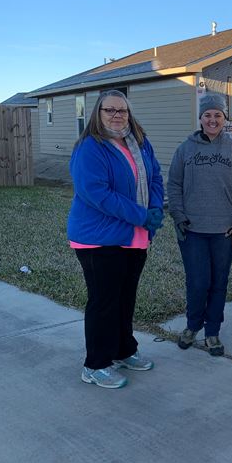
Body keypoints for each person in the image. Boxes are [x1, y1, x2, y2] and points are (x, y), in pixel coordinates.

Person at [68, 90, 164, 388]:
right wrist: (140, 214)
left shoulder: (139, 142)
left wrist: (156, 209)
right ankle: (95, 364)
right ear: (98, 113)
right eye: (109, 110)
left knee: (125, 297)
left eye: (122, 110)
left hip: (133, 236)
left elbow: (156, 176)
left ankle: (124, 349)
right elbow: (96, 193)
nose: (116, 115)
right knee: (104, 301)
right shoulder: (90, 147)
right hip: (99, 238)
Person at [167, 93, 232, 357]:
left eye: (218, 115)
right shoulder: (185, 149)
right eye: (208, 115)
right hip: (192, 230)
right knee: (197, 282)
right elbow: (174, 184)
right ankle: (193, 326)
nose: (212, 119)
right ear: (200, 118)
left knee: (218, 282)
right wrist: (178, 216)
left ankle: (212, 332)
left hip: (224, 231)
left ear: (225, 119)